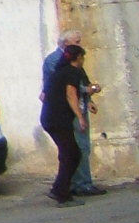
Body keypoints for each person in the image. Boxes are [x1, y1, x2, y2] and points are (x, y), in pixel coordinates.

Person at [44, 30, 106, 196]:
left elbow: (78, 83)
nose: (80, 45)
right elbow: (70, 89)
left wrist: (88, 100)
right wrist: (88, 92)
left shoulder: (74, 60)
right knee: (74, 150)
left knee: (77, 150)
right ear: (66, 45)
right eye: (77, 42)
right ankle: (77, 185)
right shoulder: (60, 61)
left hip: (73, 109)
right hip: (65, 113)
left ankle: (69, 186)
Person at [43, 42, 89, 206]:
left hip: (51, 118)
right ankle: (61, 194)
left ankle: (59, 189)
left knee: (69, 154)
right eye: (83, 57)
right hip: (58, 119)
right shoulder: (72, 72)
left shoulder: (58, 72)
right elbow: (71, 95)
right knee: (72, 155)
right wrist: (80, 117)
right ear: (78, 58)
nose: (83, 60)